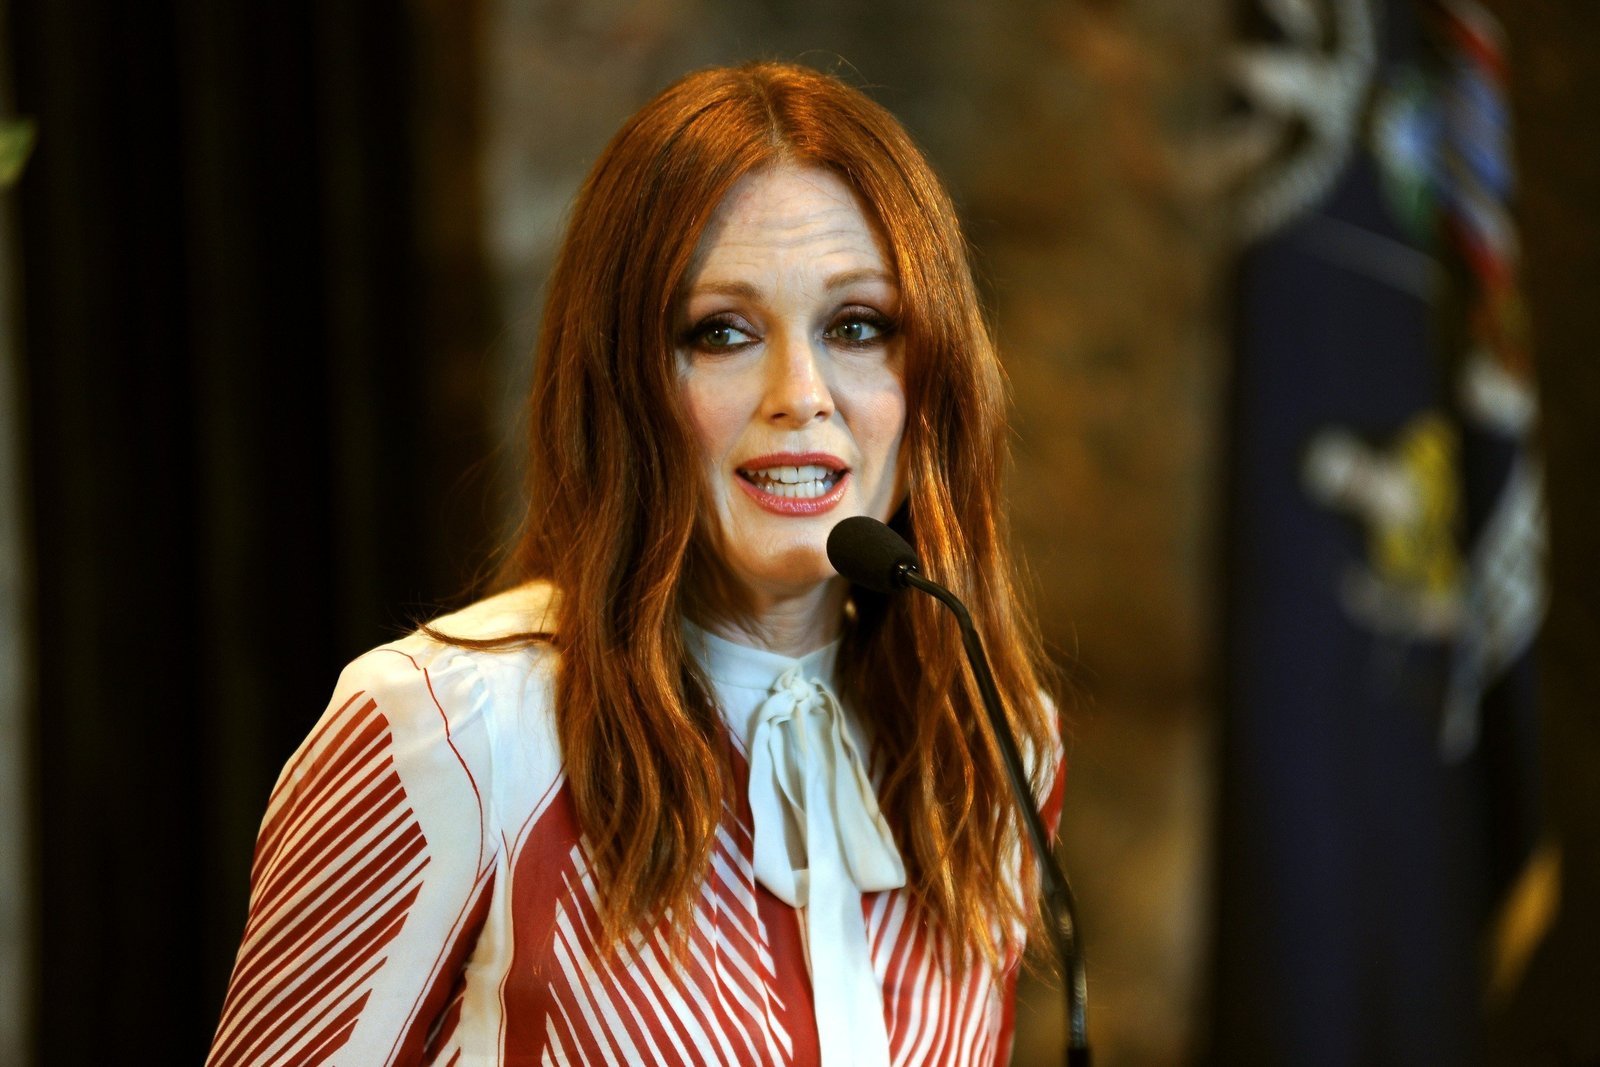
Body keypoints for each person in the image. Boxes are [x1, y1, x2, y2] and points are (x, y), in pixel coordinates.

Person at [207, 60, 1063, 1067]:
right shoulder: (454, 725)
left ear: (934, 381)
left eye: (857, 325)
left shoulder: (994, 742)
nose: (801, 392)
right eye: (722, 332)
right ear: (622, 384)